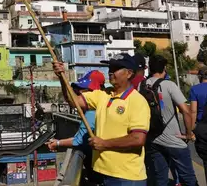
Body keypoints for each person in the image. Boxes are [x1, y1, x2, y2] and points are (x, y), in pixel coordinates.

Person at [53, 53, 150, 185]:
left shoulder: (137, 101)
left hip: (127, 177)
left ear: (129, 73)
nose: (110, 72)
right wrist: (62, 78)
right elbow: (74, 101)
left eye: (116, 68)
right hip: (103, 174)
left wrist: (105, 144)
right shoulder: (103, 94)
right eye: (110, 67)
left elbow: (138, 139)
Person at [143, 55, 196, 186]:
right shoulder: (169, 85)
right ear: (164, 69)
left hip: (153, 139)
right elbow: (186, 111)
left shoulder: (141, 85)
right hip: (174, 139)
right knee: (188, 177)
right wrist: (188, 133)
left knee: (160, 178)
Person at [47, 70, 104, 185]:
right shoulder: (94, 108)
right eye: (78, 90)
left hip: (100, 169)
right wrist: (62, 79)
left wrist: (57, 143)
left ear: (93, 91)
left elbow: (78, 141)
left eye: (82, 90)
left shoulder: (92, 112)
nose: (78, 93)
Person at [190, 68, 207, 181]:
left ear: (200, 77)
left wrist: (191, 130)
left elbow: (193, 111)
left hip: (202, 127)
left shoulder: (195, 89)